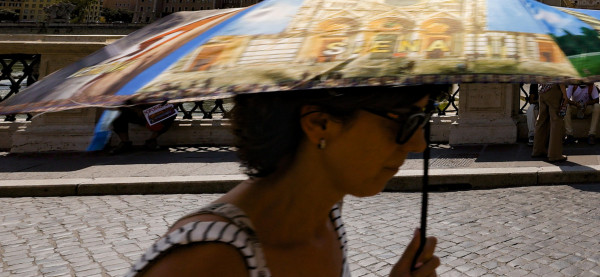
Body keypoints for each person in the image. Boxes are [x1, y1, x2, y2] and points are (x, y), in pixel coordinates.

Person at [127, 85, 444, 277]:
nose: (418, 143)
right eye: (405, 122)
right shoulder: (207, 263)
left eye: (424, 118)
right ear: (319, 124)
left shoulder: (326, 217)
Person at [110, 105, 176, 154]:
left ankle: (151, 140)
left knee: (171, 114)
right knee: (117, 115)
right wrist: (136, 109)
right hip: (138, 112)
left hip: (157, 111)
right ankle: (125, 142)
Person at [531, 83, 569, 163]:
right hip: (554, 89)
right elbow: (559, 77)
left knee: (541, 120)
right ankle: (555, 155)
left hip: (542, 89)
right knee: (556, 121)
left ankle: (537, 150)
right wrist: (565, 95)